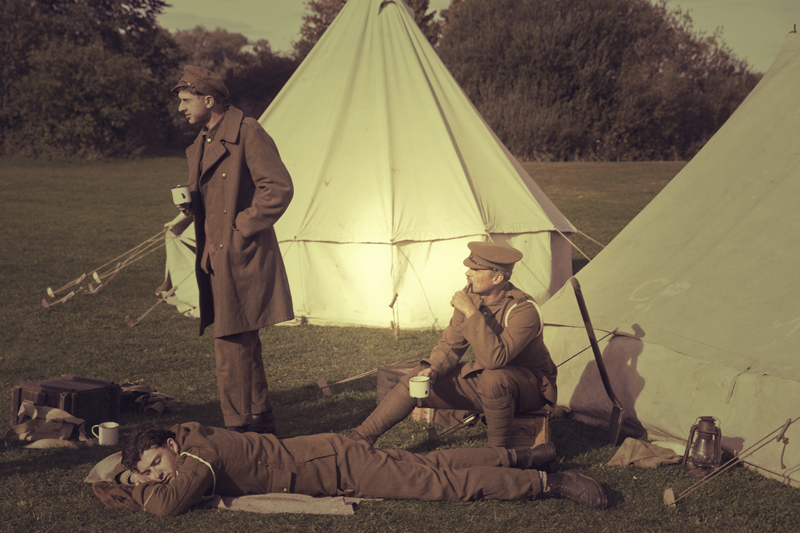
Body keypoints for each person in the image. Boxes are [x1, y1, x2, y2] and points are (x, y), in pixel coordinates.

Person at [115, 422, 607, 516]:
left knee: (438, 484)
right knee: (428, 463)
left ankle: (549, 481)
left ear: (171, 443)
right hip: (331, 455)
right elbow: (168, 489)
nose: (160, 475)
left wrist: (131, 487)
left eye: (158, 462)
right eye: (150, 472)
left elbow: (166, 509)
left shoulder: (198, 454)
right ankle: (526, 457)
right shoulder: (194, 443)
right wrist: (134, 473)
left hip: (334, 465)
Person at [171, 66, 294, 433]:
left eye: (186, 100)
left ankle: (237, 429)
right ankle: (260, 417)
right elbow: (216, 195)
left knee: (230, 343)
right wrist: (193, 203)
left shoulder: (247, 131)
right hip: (214, 254)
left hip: (242, 254)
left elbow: (277, 188)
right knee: (243, 338)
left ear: (209, 100)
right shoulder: (202, 142)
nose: (181, 108)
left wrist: (242, 226)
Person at [350, 242, 557, 448]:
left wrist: (471, 312)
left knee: (494, 379)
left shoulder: (523, 310)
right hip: (488, 378)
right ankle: (360, 438)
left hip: (530, 387)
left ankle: (498, 455)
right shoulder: (471, 299)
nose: (468, 273)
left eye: (476, 269)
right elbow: (451, 344)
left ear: (497, 278)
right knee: (417, 376)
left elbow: (495, 359)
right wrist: (433, 369)